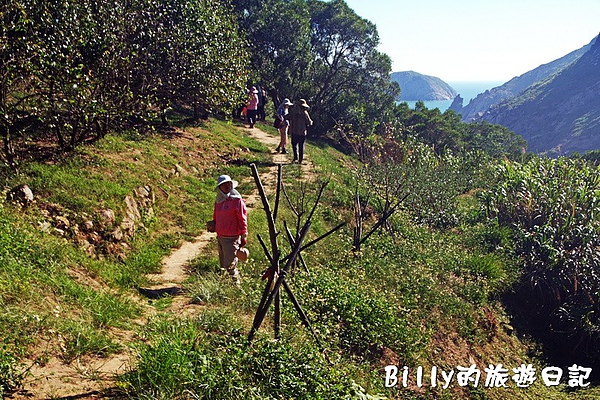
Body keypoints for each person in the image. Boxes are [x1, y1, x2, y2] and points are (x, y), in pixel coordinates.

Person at [213, 174, 248, 285]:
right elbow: (216, 216)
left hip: (232, 237)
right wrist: (213, 224)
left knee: (230, 264)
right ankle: (226, 285)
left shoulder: (237, 201)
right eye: (224, 185)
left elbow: (242, 218)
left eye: (228, 184)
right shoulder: (219, 201)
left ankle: (236, 287)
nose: (227, 186)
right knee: (223, 264)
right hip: (221, 236)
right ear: (220, 187)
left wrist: (244, 234)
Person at [286, 99, 313, 163]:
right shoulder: (305, 113)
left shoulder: (294, 113)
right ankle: (300, 160)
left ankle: (295, 157)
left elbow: (287, 117)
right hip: (302, 132)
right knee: (301, 146)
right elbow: (309, 122)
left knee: (294, 145)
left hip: (294, 131)